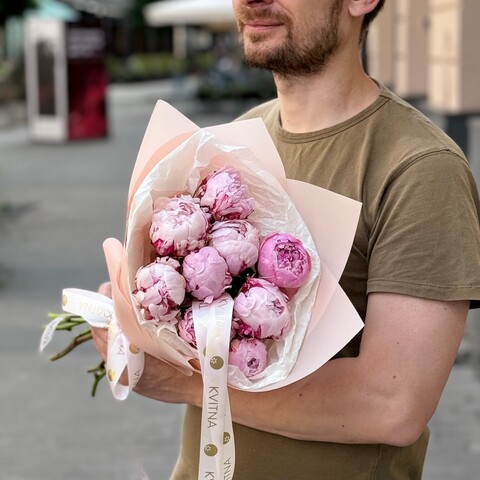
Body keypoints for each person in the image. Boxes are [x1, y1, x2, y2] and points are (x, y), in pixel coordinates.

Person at [93, 1, 480, 478]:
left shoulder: (420, 169)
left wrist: (191, 385)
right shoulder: (234, 142)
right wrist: (138, 333)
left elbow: (393, 404)